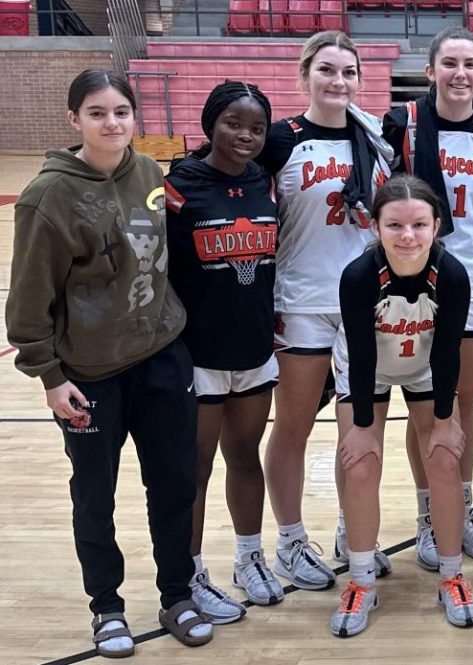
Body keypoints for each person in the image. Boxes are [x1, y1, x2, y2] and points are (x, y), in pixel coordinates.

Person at [6, 69, 213, 657]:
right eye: (97, 113)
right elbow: (26, 304)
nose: (112, 123)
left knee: (173, 486)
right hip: (89, 376)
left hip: (161, 359)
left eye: (121, 111)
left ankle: (177, 594)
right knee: (95, 496)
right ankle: (107, 608)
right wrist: (50, 377)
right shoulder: (47, 197)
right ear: (74, 120)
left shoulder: (149, 171)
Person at [254, 30, 392, 590]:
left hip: (364, 303)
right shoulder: (280, 140)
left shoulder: (377, 140)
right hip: (303, 303)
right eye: (327, 70)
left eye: (349, 72)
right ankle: (289, 539)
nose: (339, 82)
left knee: (356, 429)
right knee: (293, 427)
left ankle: (348, 526)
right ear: (304, 74)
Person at [382, 26, 473, 572]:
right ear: (431, 71)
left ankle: (462, 506)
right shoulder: (402, 123)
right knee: (426, 408)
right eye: (450, 64)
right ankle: (430, 516)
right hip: (417, 277)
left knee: (463, 404)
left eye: (470, 65)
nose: (461, 74)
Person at [329, 176, 473, 636]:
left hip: (426, 364)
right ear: (374, 227)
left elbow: (449, 350)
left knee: (444, 460)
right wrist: (361, 427)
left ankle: (452, 575)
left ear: (436, 226)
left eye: (418, 224)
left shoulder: (451, 274)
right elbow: (362, 351)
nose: (407, 236)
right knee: (360, 464)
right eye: (394, 225)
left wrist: (447, 421)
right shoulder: (358, 276)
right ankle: (360, 582)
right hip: (366, 366)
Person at [165, 81, 284, 622]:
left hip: (255, 346)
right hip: (198, 354)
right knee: (195, 470)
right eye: (234, 123)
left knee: (245, 457)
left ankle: (249, 558)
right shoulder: (176, 187)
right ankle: (187, 575)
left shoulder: (265, 182)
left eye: (256, 128)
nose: (245, 135)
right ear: (211, 121)